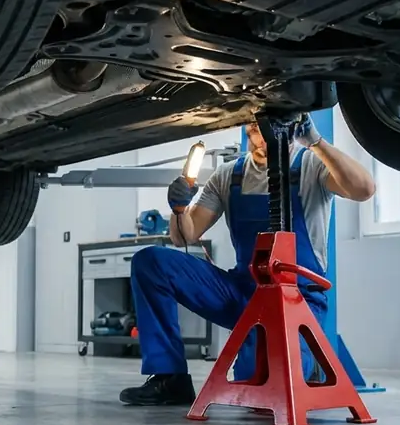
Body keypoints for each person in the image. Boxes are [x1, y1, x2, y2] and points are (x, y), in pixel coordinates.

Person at [119, 114, 377, 406]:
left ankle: (299, 359)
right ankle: (170, 378)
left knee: (261, 384)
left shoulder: (311, 164)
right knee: (152, 262)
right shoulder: (229, 174)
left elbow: (364, 189)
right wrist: (179, 209)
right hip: (243, 292)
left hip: (297, 299)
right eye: (254, 125)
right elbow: (185, 237)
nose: (260, 131)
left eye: (267, 123)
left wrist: (316, 142)